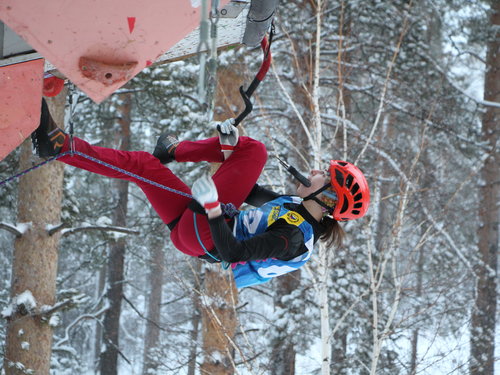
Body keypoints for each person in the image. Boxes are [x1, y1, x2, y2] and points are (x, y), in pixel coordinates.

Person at [31, 99, 370, 288]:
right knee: (142, 165)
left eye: (321, 176)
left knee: (255, 151)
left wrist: (212, 206)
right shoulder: (294, 207)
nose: (312, 172)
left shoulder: (293, 238)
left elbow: (234, 252)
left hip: (207, 235)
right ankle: (60, 146)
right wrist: (224, 148)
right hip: (193, 231)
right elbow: (246, 188)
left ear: (328, 199)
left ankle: (175, 149)